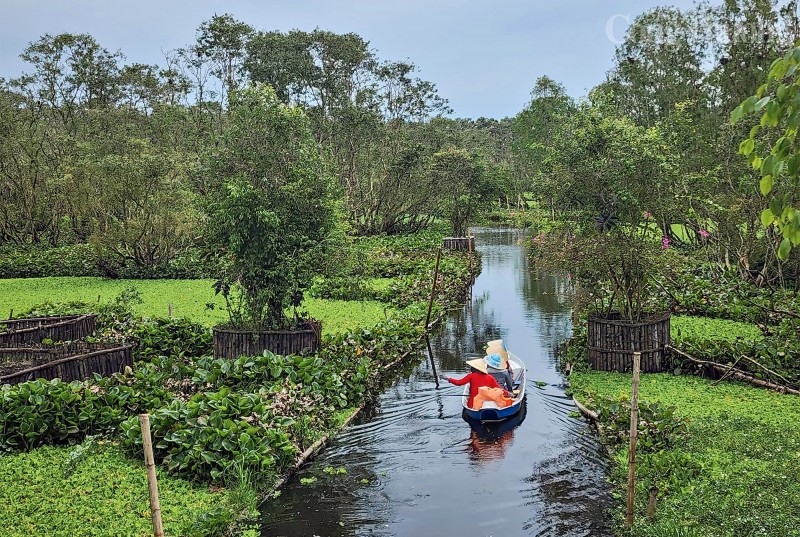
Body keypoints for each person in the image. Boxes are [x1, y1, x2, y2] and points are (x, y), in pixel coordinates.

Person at [441, 356, 511, 410]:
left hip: (472, 404)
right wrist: (508, 393)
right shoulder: (489, 377)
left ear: (475, 368)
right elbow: (498, 388)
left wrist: (448, 379)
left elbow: (459, 383)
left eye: (472, 367)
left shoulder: (471, 376)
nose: (470, 368)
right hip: (486, 402)